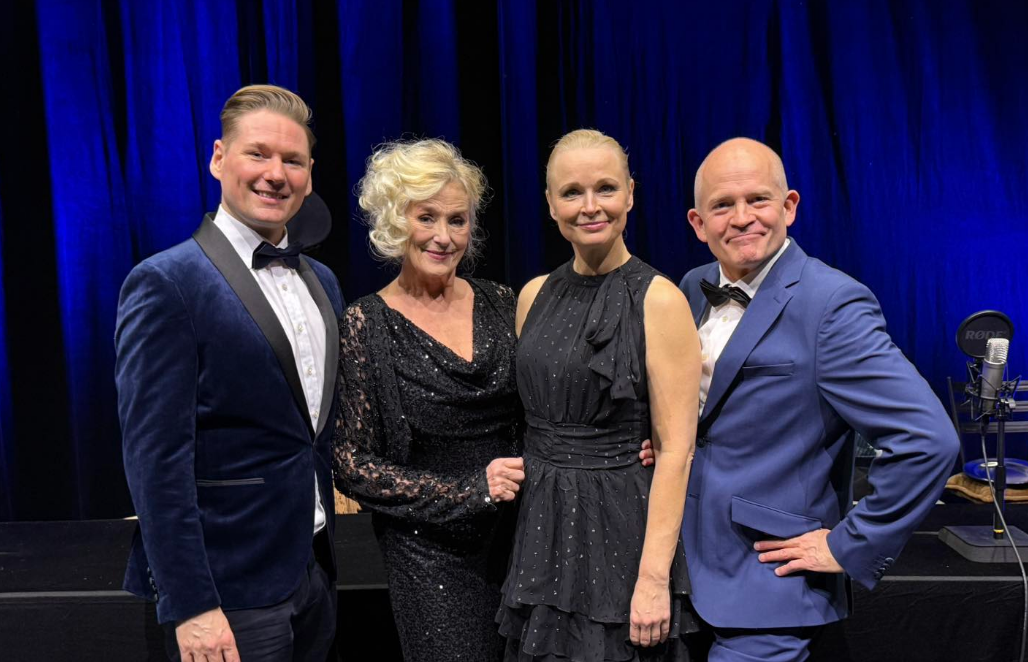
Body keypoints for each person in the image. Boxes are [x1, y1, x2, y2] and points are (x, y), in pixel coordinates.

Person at [679, 137, 960, 661]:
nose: (741, 218)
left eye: (758, 199)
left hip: (771, 584)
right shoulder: (692, 287)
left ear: (789, 207)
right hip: (681, 581)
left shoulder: (832, 303)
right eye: (722, 205)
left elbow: (929, 440)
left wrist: (849, 544)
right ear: (698, 223)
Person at [116, 85, 343, 662]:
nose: (275, 174)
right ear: (219, 158)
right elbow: (155, 462)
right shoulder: (167, 282)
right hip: (225, 593)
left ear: (309, 176)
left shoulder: (323, 282)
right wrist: (191, 605)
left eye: (292, 160)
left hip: (313, 572)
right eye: (257, 153)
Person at [496, 129, 702, 661]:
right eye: (572, 192)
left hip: (620, 528)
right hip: (541, 526)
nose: (590, 206)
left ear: (630, 194)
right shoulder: (533, 295)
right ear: (550, 204)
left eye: (606, 188)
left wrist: (653, 579)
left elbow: (676, 450)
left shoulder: (660, 300)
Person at [332, 138, 525, 661]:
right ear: (396, 222)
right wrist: (469, 492)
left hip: (520, 540)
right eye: (427, 218)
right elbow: (351, 464)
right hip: (430, 555)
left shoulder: (502, 302)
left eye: (457, 220)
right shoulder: (366, 323)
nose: (444, 236)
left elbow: (543, 408)